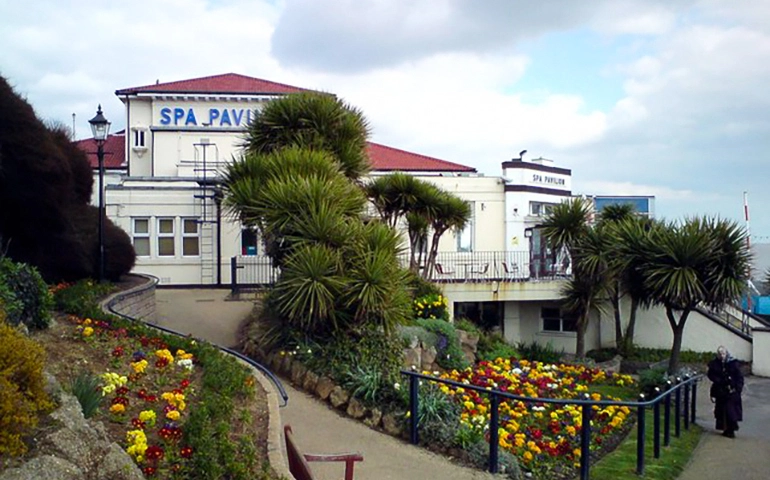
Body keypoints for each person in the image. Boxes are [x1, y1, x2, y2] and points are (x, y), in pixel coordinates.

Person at [707, 346, 744, 438]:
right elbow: (711, 375)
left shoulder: (733, 364)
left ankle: (730, 429)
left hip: (732, 391)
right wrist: (718, 381)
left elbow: (739, 377)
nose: (722, 356)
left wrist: (738, 388)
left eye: (723, 354)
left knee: (730, 411)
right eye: (720, 354)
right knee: (722, 411)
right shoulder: (715, 364)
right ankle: (726, 428)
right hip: (721, 391)